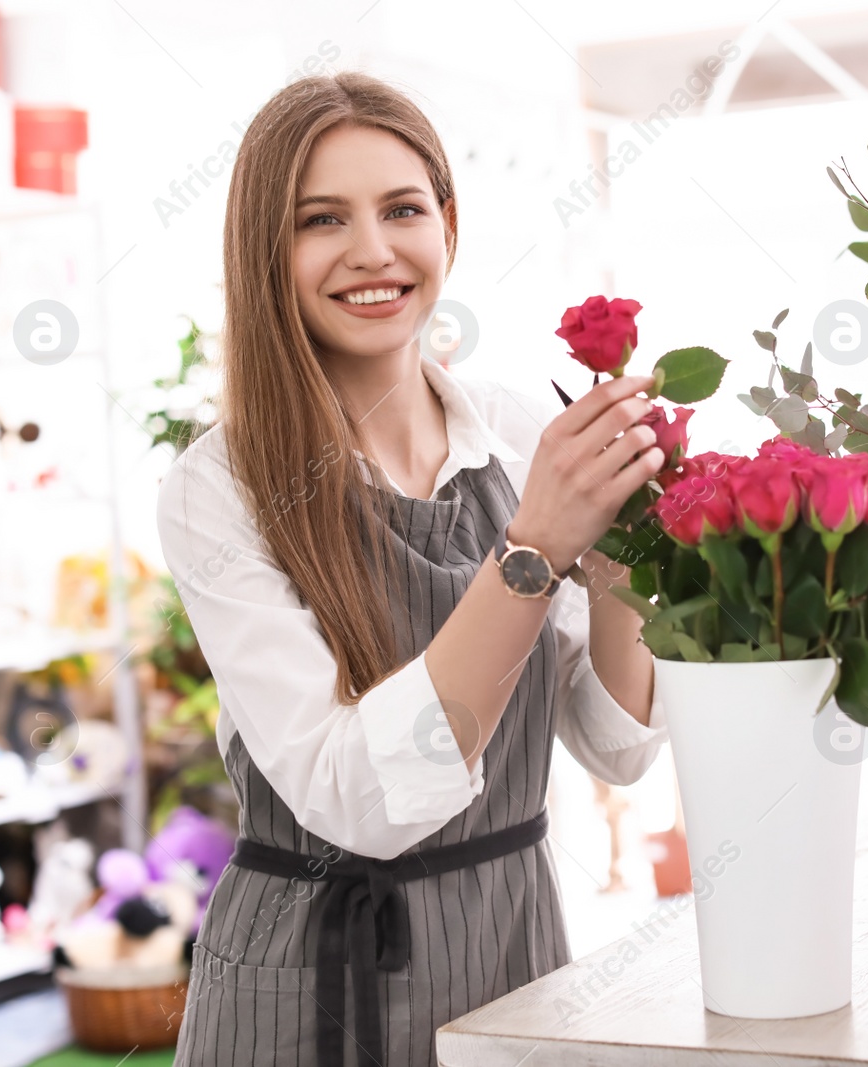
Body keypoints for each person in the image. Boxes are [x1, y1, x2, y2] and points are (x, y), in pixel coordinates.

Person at [155, 70, 669, 1067]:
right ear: (266, 249)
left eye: (400, 209)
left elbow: (616, 745)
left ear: (448, 223)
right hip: (307, 984)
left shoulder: (522, 431)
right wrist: (531, 553)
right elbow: (364, 801)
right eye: (320, 220)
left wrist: (622, 548)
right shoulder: (217, 488)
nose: (372, 251)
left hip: (511, 946)